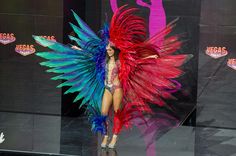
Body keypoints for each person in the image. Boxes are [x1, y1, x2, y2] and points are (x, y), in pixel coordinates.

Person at [33, 5, 191, 150]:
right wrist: (72, 47)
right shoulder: (102, 59)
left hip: (117, 89)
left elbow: (142, 59)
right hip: (106, 88)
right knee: (102, 113)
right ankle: (105, 136)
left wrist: (154, 57)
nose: (108, 48)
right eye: (107, 46)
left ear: (116, 48)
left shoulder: (123, 61)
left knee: (117, 113)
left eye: (111, 46)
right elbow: (86, 54)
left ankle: (114, 138)